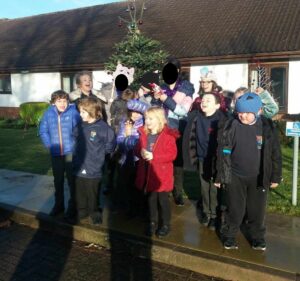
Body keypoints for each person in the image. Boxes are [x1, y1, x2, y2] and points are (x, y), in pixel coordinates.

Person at [215, 92, 282, 250]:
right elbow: (222, 152)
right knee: (234, 209)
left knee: (256, 210)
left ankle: (257, 237)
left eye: (247, 113)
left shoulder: (266, 127)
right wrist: (220, 175)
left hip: (258, 177)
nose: (242, 116)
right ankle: (229, 236)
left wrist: (276, 176)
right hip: (235, 176)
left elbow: (275, 154)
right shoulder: (231, 126)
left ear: (258, 111)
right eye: (239, 112)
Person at [183, 92, 227, 231]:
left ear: (217, 105)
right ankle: (207, 213)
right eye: (203, 99)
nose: (204, 101)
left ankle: (215, 215)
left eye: (208, 100)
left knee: (214, 189)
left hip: (215, 160)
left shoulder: (222, 120)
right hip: (202, 159)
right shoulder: (197, 117)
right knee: (204, 187)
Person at [154, 57, 194, 206]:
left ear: (177, 70)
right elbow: (155, 109)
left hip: (177, 130)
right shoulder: (161, 88)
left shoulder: (186, 88)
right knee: (163, 159)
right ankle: (164, 188)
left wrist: (165, 99)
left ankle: (177, 193)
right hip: (162, 130)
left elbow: (182, 112)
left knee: (177, 162)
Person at [135, 107, 179, 238]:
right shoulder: (144, 134)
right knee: (151, 199)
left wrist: (154, 157)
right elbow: (137, 150)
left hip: (161, 175)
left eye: (150, 118)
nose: (147, 121)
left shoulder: (167, 136)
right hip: (148, 173)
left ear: (159, 120)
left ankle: (165, 224)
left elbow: (172, 155)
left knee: (163, 200)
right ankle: (153, 222)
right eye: (146, 118)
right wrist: (140, 152)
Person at [72, 97, 115, 225]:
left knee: (93, 193)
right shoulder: (80, 125)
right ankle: (82, 212)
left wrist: (99, 155)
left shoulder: (103, 128)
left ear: (92, 112)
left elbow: (110, 145)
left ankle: (94, 213)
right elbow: (74, 137)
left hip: (94, 167)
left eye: (83, 112)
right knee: (80, 192)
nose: (80, 114)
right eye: (80, 111)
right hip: (79, 165)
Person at [39, 90, 81, 218]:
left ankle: (73, 206)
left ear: (68, 101)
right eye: (59, 101)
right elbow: (43, 131)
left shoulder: (74, 113)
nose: (62, 104)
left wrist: (75, 146)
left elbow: (80, 131)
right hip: (56, 153)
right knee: (58, 180)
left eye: (64, 101)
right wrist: (50, 145)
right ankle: (59, 205)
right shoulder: (48, 114)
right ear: (53, 102)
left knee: (72, 181)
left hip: (70, 153)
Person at [115, 98, 149, 215]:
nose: (135, 114)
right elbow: (119, 141)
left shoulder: (145, 124)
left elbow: (140, 144)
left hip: (139, 161)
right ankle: (127, 209)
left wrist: (128, 136)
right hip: (125, 160)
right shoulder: (125, 123)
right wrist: (126, 136)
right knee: (126, 186)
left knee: (138, 187)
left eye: (138, 112)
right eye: (133, 111)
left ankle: (139, 209)